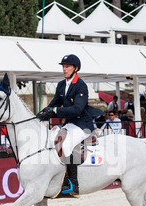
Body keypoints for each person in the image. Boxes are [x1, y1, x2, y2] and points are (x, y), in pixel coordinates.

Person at [36, 54, 104, 196]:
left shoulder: (81, 86)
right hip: (70, 124)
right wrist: (41, 115)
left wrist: (55, 111)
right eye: (63, 66)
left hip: (81, 124)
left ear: (76, 68)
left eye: (67, 66)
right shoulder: (61, 85)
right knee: (52, 141)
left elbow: (77, 109)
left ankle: (74, 184)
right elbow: (53, 105)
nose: (64, 69)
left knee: (66, 145)